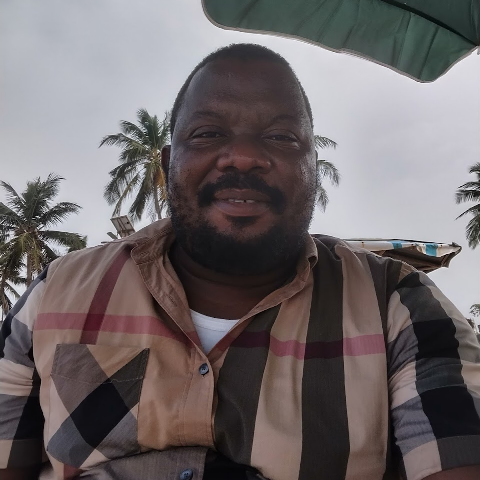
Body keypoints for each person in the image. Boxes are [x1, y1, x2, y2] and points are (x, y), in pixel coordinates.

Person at [1, 44, 480, 480]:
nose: (245, 157)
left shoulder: (398, 304)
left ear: (315, 169)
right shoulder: (58, 292)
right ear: (167, 164)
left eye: (281, 136)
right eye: (208, 133)